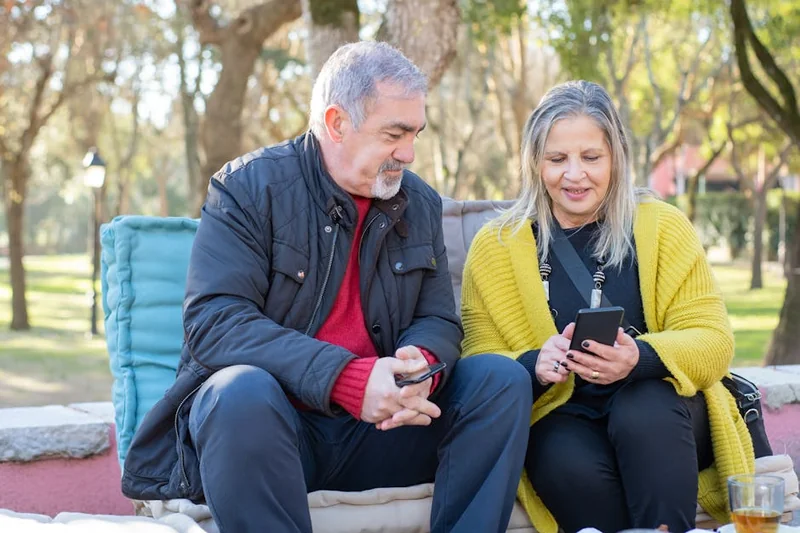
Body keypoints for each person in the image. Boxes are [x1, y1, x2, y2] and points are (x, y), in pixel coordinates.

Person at [119, 41, 532, 533]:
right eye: (394, 134)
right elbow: (215, 324)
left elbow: (439, 317)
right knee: (237, 392)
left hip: (384, 430)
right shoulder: (247, 189)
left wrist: (419, 364)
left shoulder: (417, 201)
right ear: (336, 123)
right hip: (274, 436)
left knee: (500, 381)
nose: (409, 152)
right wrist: (348, 380)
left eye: (415, 134)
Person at [460, 80, 754, 533]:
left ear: (616, 157)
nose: (574, 175)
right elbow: (476, 361)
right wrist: (535, 363)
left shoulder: (663, 225)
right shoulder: (497, 245)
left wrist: (640, 358)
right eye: (557, 159)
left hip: (663, 409)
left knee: (643, 410)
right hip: (563, 413)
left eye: (591, 158)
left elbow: (714, 340)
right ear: (534, 162)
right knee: (558, 453)